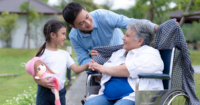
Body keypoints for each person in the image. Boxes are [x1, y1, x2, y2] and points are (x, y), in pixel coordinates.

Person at [85, 21, 164, 105]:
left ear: (140, 41)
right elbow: (104, 74)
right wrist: (96, 68)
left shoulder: (150, 53)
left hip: (135, 96)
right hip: (107, 96)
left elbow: (129, 69)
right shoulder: (118, 53)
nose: (123, 38)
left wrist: (104, 69)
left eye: (127, 36)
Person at [62, 2, 159, 66]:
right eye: (81, 23)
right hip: (101, 64)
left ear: (86, 10)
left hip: (123, 55)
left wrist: (157, 28)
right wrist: (92, 63)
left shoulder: (103, 16)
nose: (88, 23)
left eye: (87, 17)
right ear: (73, 26)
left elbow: (132, 23)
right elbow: (83, 59)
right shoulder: (74, 37)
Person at [33, 19, 90, 105]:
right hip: (44, 93)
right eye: (63, 34)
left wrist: (88, 64)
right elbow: (35, 76)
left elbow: (76, 69)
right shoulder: (41, 54)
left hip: (60, 93)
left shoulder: (64, 54)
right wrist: (42, 82)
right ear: (53, 35)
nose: (65, 37)